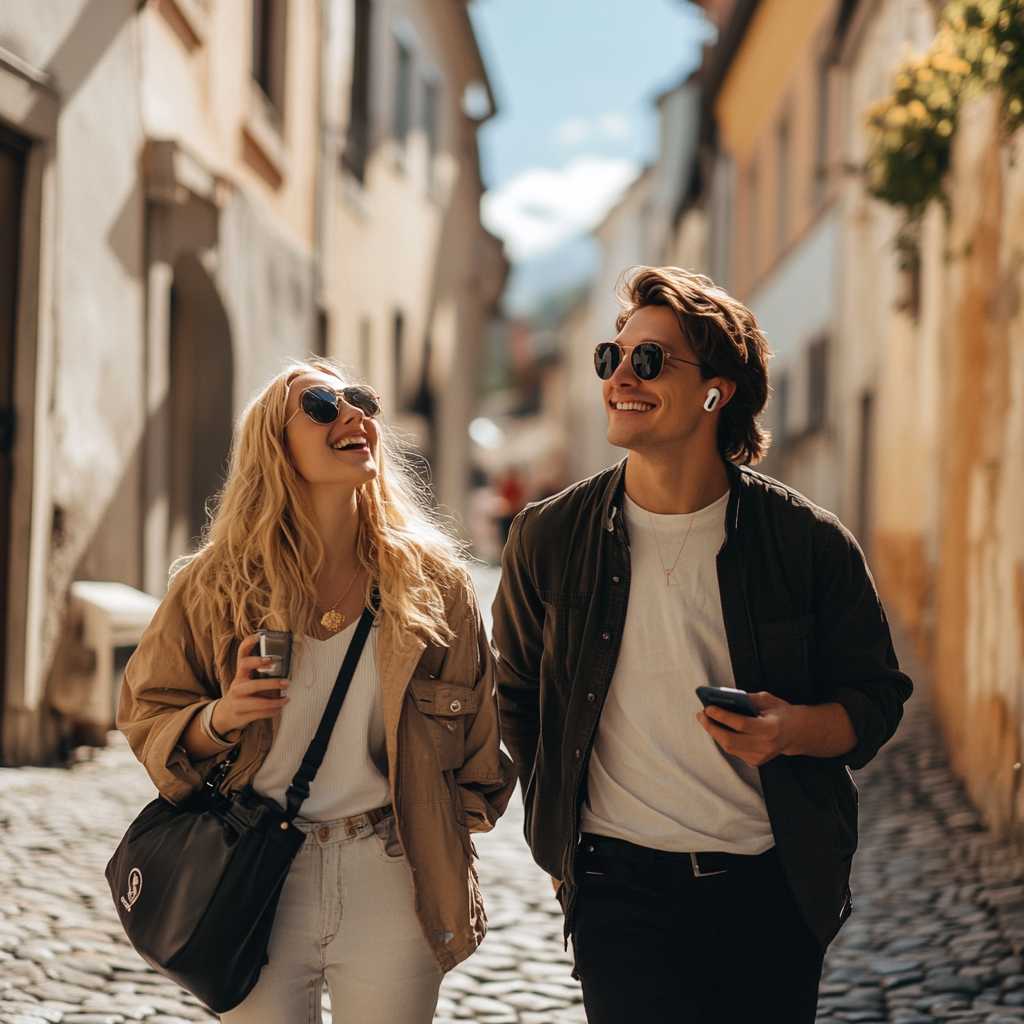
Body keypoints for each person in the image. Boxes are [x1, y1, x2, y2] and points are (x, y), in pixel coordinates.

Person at [491, 267, 913, 1024]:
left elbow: (878, 699)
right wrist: (553, 840)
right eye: (610, 357)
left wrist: (793, 731)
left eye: (648, 360)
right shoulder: (550, 537)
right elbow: (517, 698)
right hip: (620, 891)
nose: (620, 375)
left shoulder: (807, 544)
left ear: (716, 392)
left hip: (773, 888)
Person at [119, 360, 515, 1024]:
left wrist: (440, 832)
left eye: (362, 400)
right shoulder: (216, 584)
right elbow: (146, 711)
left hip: (392, 873)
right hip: (256, 875)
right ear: (276, 444)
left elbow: (480, 739)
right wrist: (222, 717)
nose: (355, 415)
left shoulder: (435, 584)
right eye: (325, 405)